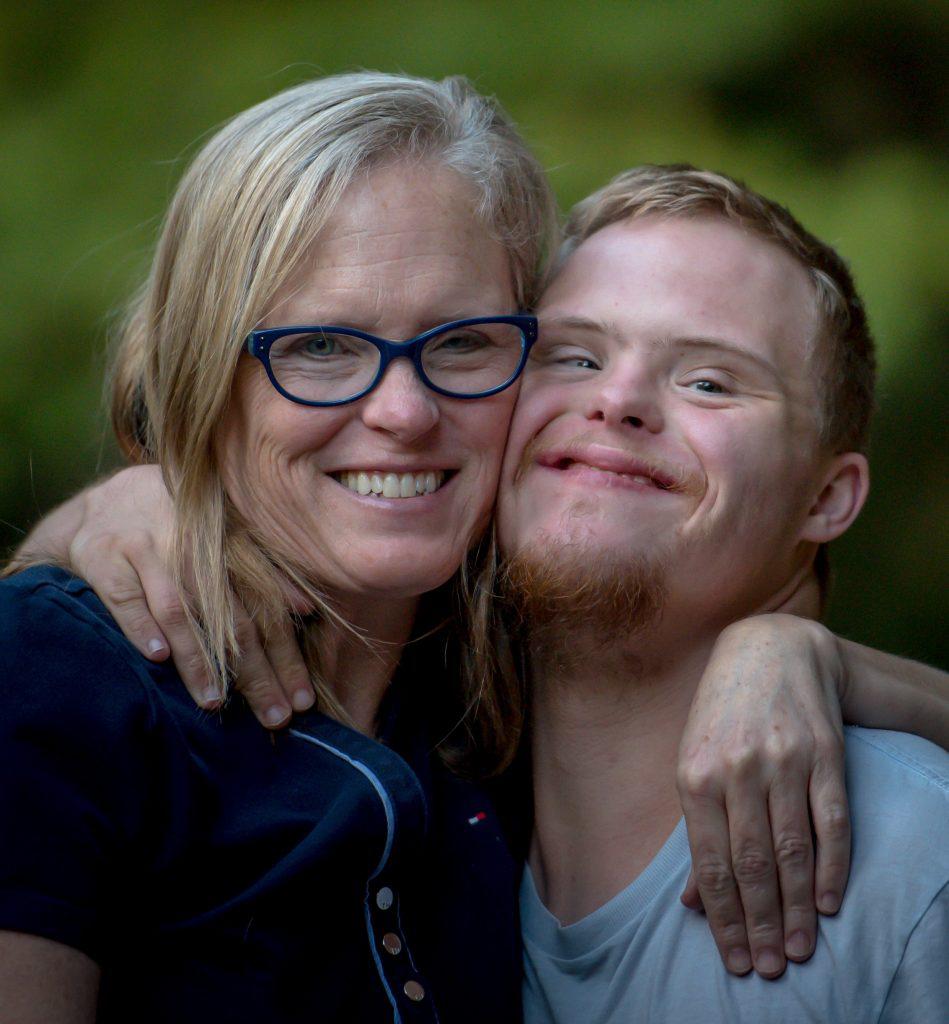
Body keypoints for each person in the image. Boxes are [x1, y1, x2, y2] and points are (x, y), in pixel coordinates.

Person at [3, 76, 944, 1022]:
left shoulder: (476, 689)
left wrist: (797, 653)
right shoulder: (78, 669)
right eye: (322, 345)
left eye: (461, 343)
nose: (403, 411)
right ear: (209, 367)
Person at [481, 165, 947, 1022]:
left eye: (708, 381)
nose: (615, 400)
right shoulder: (405, 795)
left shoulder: (917, 866)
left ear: (824, 498)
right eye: (573, 355)